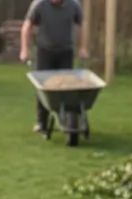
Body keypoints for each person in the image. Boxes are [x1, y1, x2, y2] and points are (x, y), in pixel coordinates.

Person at [20, 0, 88, 133]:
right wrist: (24, 49)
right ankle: (42, 122)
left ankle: (69, 120)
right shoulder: (39, 4)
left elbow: (82, 24)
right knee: (43, 87)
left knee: (67, 87)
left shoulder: (74, 5)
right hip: (45, 50)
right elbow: (27, 26)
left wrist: (83, 47)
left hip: (66, 51)